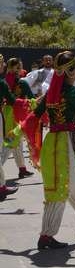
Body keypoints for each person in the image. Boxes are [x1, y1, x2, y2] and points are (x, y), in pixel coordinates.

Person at [21, 51, 75, 249]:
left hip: (54, 142)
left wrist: (16, 131)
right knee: (60, 190)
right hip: (64, 146)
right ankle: (46, 236)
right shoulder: (72, 92)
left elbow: (33, 117)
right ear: (69, 72)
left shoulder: (51, 93)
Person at [1, 57, 35, 179]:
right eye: (19, 66)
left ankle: (22, 168)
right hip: (17, 114)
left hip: (6, 112)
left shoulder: (5, 80)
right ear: (17, 68)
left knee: (16, 142)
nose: (21, 68)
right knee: (10, 142)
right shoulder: (21, 82)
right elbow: (31, 98)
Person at [0, 55, 20, 200]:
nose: (4, 65)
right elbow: (14, 102)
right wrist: (31, 103)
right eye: (2, 63)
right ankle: (1, 188)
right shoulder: (2, 83)